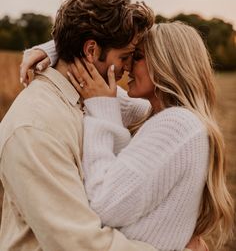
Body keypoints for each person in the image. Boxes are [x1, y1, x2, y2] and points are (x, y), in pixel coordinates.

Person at [0, 0, 199, 251]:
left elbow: (152, 106)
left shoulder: (94, 95)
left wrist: (54, 49)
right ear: (91, 51)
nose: (128, 67)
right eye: (125, 57)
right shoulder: (35, 128)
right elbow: (79, 243)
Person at [64, 22, 234, 250]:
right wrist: (52, 51)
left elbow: (103, 205)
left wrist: (102, 109)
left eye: (138, 57)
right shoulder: (156, 114)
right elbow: (99, 86)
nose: (128, 67)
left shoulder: (177, 125)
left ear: (167, 64)